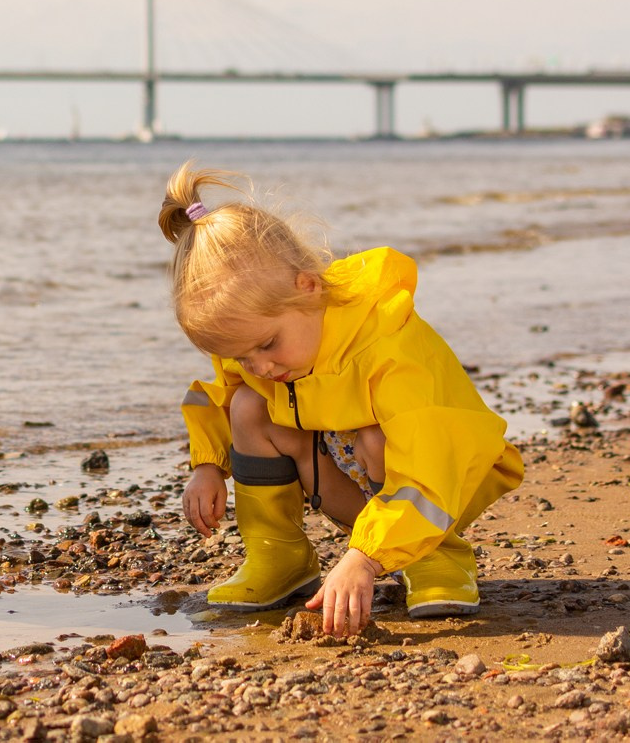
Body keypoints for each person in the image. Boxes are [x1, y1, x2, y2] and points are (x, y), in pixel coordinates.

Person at [160, 164, 523, 637]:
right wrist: (206, 466)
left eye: (267, 346)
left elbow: (432, 468)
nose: (260, 366)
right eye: (239, 355)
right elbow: (219, 394)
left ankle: (437, 555)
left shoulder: (387, 348)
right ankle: (278, 553)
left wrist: (363, 559)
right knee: (249, 404)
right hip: (357, 484)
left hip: (440, 488)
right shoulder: (265, 344)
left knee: (374, 436)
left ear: (307, 287)